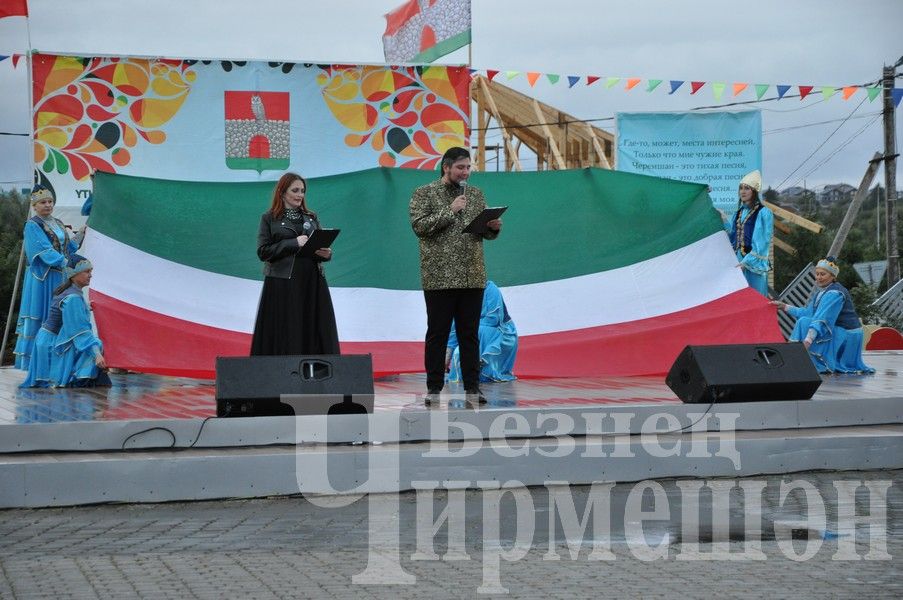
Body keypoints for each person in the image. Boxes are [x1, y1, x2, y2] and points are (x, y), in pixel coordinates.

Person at [410, 146, 502, 404]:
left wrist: (492, 227)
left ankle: (473, 387)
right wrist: (450, 210)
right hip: (439, 277)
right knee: (437, 333)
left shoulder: (475, 194)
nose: (465, 172)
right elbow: (420, 226)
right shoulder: (424, 193)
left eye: (468, 167)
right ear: (446, 167)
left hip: (472, 274)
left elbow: (482, 231)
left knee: (469, 334)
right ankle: (434, 388)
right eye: (460, 167)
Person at [250, 172, 340, 355]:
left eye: (303, 191)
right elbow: (263, 251)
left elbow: (317, 246)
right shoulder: (269, 218)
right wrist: (293, 243)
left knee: (313, 325)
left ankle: (315, 369)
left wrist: (326, 254)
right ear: (282, 192)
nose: (300, 195)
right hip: (283, 283)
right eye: (295, 190)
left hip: (312, 282)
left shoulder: (311, 217)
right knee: (287, 326)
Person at [14, 187, 80, 370]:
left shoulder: (57, 222)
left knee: (59, 315)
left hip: (60, 275)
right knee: (44, 315)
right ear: (34, 205)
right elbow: (43, 250)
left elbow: (68, 248)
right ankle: (37, 361)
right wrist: (66, 262)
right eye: (43, 202)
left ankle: (56, 360)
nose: (48, 205)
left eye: (50, 201)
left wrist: (82, 234)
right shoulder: (32, 225)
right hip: (43, 278)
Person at [770, 257, 874, 374]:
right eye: (817, 274)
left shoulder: (835, 294)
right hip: (839, 330)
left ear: (833, 276)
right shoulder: (821, 292)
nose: (819, 277)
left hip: (848, 335)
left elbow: (822, 320)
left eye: (823, 274)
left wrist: (807, 341)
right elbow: (808, 313)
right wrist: (784, 306)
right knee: (804, 320)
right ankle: (800, 356)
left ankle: (806, 357)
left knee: (805, 322)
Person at [22, 254, 109, 388]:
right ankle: (81, 380)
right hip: (52, 345)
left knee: (91, 345)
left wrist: (85, 307)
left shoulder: (71, 292)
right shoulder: (72, 297)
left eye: (90, 272)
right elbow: (81, 332)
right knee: (95, 345)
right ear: (73, 274)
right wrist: (97, 354)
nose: (90, 275)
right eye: (87, 271)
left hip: (46, 340)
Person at [446, 280, 517, 384]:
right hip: (474, 333)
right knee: (464, 340)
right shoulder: (460, 295)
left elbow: (494, 319)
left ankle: (478, 362)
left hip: (500, 335)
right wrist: (446, 357)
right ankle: (471, 366)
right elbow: (454, 329)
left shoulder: (490, 288)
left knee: (478, 330)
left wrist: (466, 324)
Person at [724, 170, 773, 296]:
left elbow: (762, 243)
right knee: (739, 301)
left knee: (755, 297)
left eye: (747, 188)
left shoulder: (763, 213)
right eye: (741, 188)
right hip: (738, 262)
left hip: (753, 264)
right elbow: (733, 237)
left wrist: (746, 263)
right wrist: (723, 219)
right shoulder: (738, 213)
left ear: (754, 191)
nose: (743, 191)